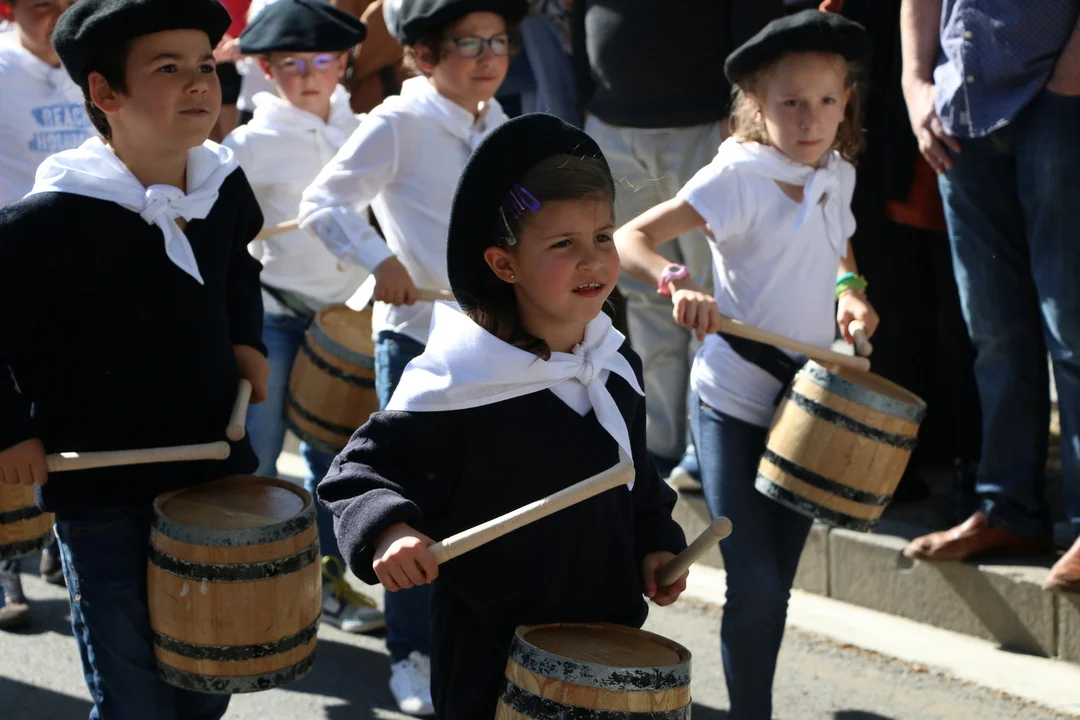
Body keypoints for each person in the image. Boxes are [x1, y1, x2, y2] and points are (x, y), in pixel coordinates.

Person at [318, 112, 688, 719]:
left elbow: (635, 481)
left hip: (604, 652)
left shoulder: (613, 363)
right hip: (490, 665)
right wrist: (390, 531)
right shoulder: (459, 382)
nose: (593, 260)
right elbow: (356, 476)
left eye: (602, 237)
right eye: (563, 244)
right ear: (504, 264)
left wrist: (656, 546)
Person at [0, 0, 269, 716]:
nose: (199, 83)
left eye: (205, 65)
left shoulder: (221, 185)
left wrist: (246, 341)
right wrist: (11, 431)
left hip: (208, 471)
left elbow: (238, 267)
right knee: (131, 693)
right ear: (104, 92)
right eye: (168, 68)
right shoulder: (50, 219)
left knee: (205, 679)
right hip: (98, 486)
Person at [615, 11, 876, 719]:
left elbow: (837, 246)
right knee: (754, 584)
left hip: (809, 408)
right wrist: (676, 282)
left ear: (846, 102)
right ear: (757, 104)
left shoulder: (838, 174)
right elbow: (631, 237)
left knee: (775, 587)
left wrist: (850, 293)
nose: (810, 118)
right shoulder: (736, 177)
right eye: (791, 102)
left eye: (826, 100)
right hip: (733, 398)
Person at [299, 1, 526, 713]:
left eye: (499, 42)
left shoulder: (503, 126)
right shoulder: (397, 121)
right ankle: (410, 653)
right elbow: (322, 203)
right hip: (418, 339)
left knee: (491, 504)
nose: (489, 58)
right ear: (424, 55)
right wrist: (380, 259)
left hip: (497, 343)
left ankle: (481, 645)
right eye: (469, 43)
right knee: (409, 509)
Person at [898, 0, 1080, 592]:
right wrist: (915, 83)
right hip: (962, 103)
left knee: (1072, 326)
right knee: (995, 331)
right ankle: (1009, 511)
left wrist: (1068, 80)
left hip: (1061, 97)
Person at [572, 0, 783, 490]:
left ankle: (708, 445)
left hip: (704, 123)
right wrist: (590, 96)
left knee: (711, 296)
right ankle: (663, 443)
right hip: (611, 123)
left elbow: (754, 20)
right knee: (645, 294)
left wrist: (742, 110)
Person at [222, 0, 384, 635]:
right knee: (257, 458)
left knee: (336, 462)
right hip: (274, 316)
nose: (309, 74)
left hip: (345, 320)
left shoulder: (367, 131)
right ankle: (254, 590)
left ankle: (325, 582)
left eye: (323, 60)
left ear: (344, 62)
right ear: (265, 69)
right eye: (291, 63)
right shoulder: (248, 143)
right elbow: (218, 231)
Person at [0, 0, 89, 630]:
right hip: (9, 266)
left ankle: (61, 540)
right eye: (40, 4)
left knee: (68, 410)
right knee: (5, 419)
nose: (54, 15)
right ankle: (5, 564)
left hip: (83, 267)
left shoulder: (93, 61)